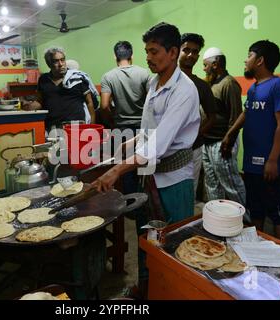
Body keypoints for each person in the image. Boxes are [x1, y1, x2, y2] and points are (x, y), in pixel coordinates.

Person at [92, 22, 200, 298]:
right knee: (148, 236)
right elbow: (149, 130)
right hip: (150, 175)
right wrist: (126, 144)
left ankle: (173, 292)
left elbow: (158, 146)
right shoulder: (154, 82)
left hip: (174, 179)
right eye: (147, 51)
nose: (149, 58)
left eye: (154, 52)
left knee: (174, 242)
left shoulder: (184, 91)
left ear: (173, 52)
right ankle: (145, 288)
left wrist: (116, 170)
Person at [221, 40, 280, 241]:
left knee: (277, 210)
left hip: (270, 164)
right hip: (251, 164)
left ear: (260, 60)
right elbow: (247, 111)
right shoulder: (253, 89)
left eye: (249, 55)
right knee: (256, 209)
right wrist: (231, 133)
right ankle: (257, 247)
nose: (245, 60)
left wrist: (272, 160)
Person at [202, 47, 246, 205]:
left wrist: (228, 142)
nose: (203, 68)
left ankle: (245, 222)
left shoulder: (229, 84)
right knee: (212, 186)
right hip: (207, 143)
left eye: (205, 65)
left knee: (231, 186)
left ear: (215, 64)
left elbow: (236, 116)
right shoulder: (212, 83)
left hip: (222, 143)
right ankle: (218, 218)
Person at [178, 33, 217, 197]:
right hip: (167, 149)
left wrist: (196, 133)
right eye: (186, 50)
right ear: (176, 51)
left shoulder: (201, 85)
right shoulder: (164, 80)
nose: (190, 55)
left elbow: (212, 117)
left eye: (195, 52)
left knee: (189, 194)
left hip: (193, 149)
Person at [22, 47, 95, 130]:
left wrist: (91, 126)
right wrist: (27, 107)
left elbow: (89, 103)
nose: (61, 64)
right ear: (49, 64)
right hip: (53, 127)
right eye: (56, 61)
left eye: (62, 60)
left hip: (76, 126)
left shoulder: (77, 78)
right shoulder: (44, 79)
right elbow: (40, 101)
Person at [100, 40, 152, 131]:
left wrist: (112, 123)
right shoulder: (144, 73)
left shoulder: (107, 77)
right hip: (142, 125)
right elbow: (153, 101)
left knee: (121, 146)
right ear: (132, 56)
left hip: (120, 127)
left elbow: (104, 106)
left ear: (115, 57)